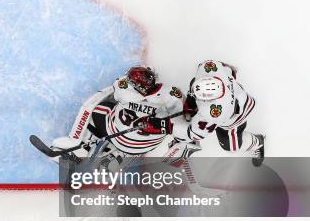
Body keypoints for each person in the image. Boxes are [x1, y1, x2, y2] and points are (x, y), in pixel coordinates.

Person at [135, 60, 265, 166]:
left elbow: (195, 134)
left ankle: (257, 142)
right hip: (235, 92)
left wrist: (163, 126)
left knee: (231, 147)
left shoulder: (215, 113)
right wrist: (191, 102)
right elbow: (223, 68)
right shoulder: (209, 67)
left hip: (235, 117)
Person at [51, 65, 185, 162]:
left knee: (100, 109)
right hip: (144, 147)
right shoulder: (171, 94)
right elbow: (181, 117)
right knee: (147, 132)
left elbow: (117, 84)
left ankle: (83, 148)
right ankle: (117, 157)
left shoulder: (124, 90)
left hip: (118, 137)